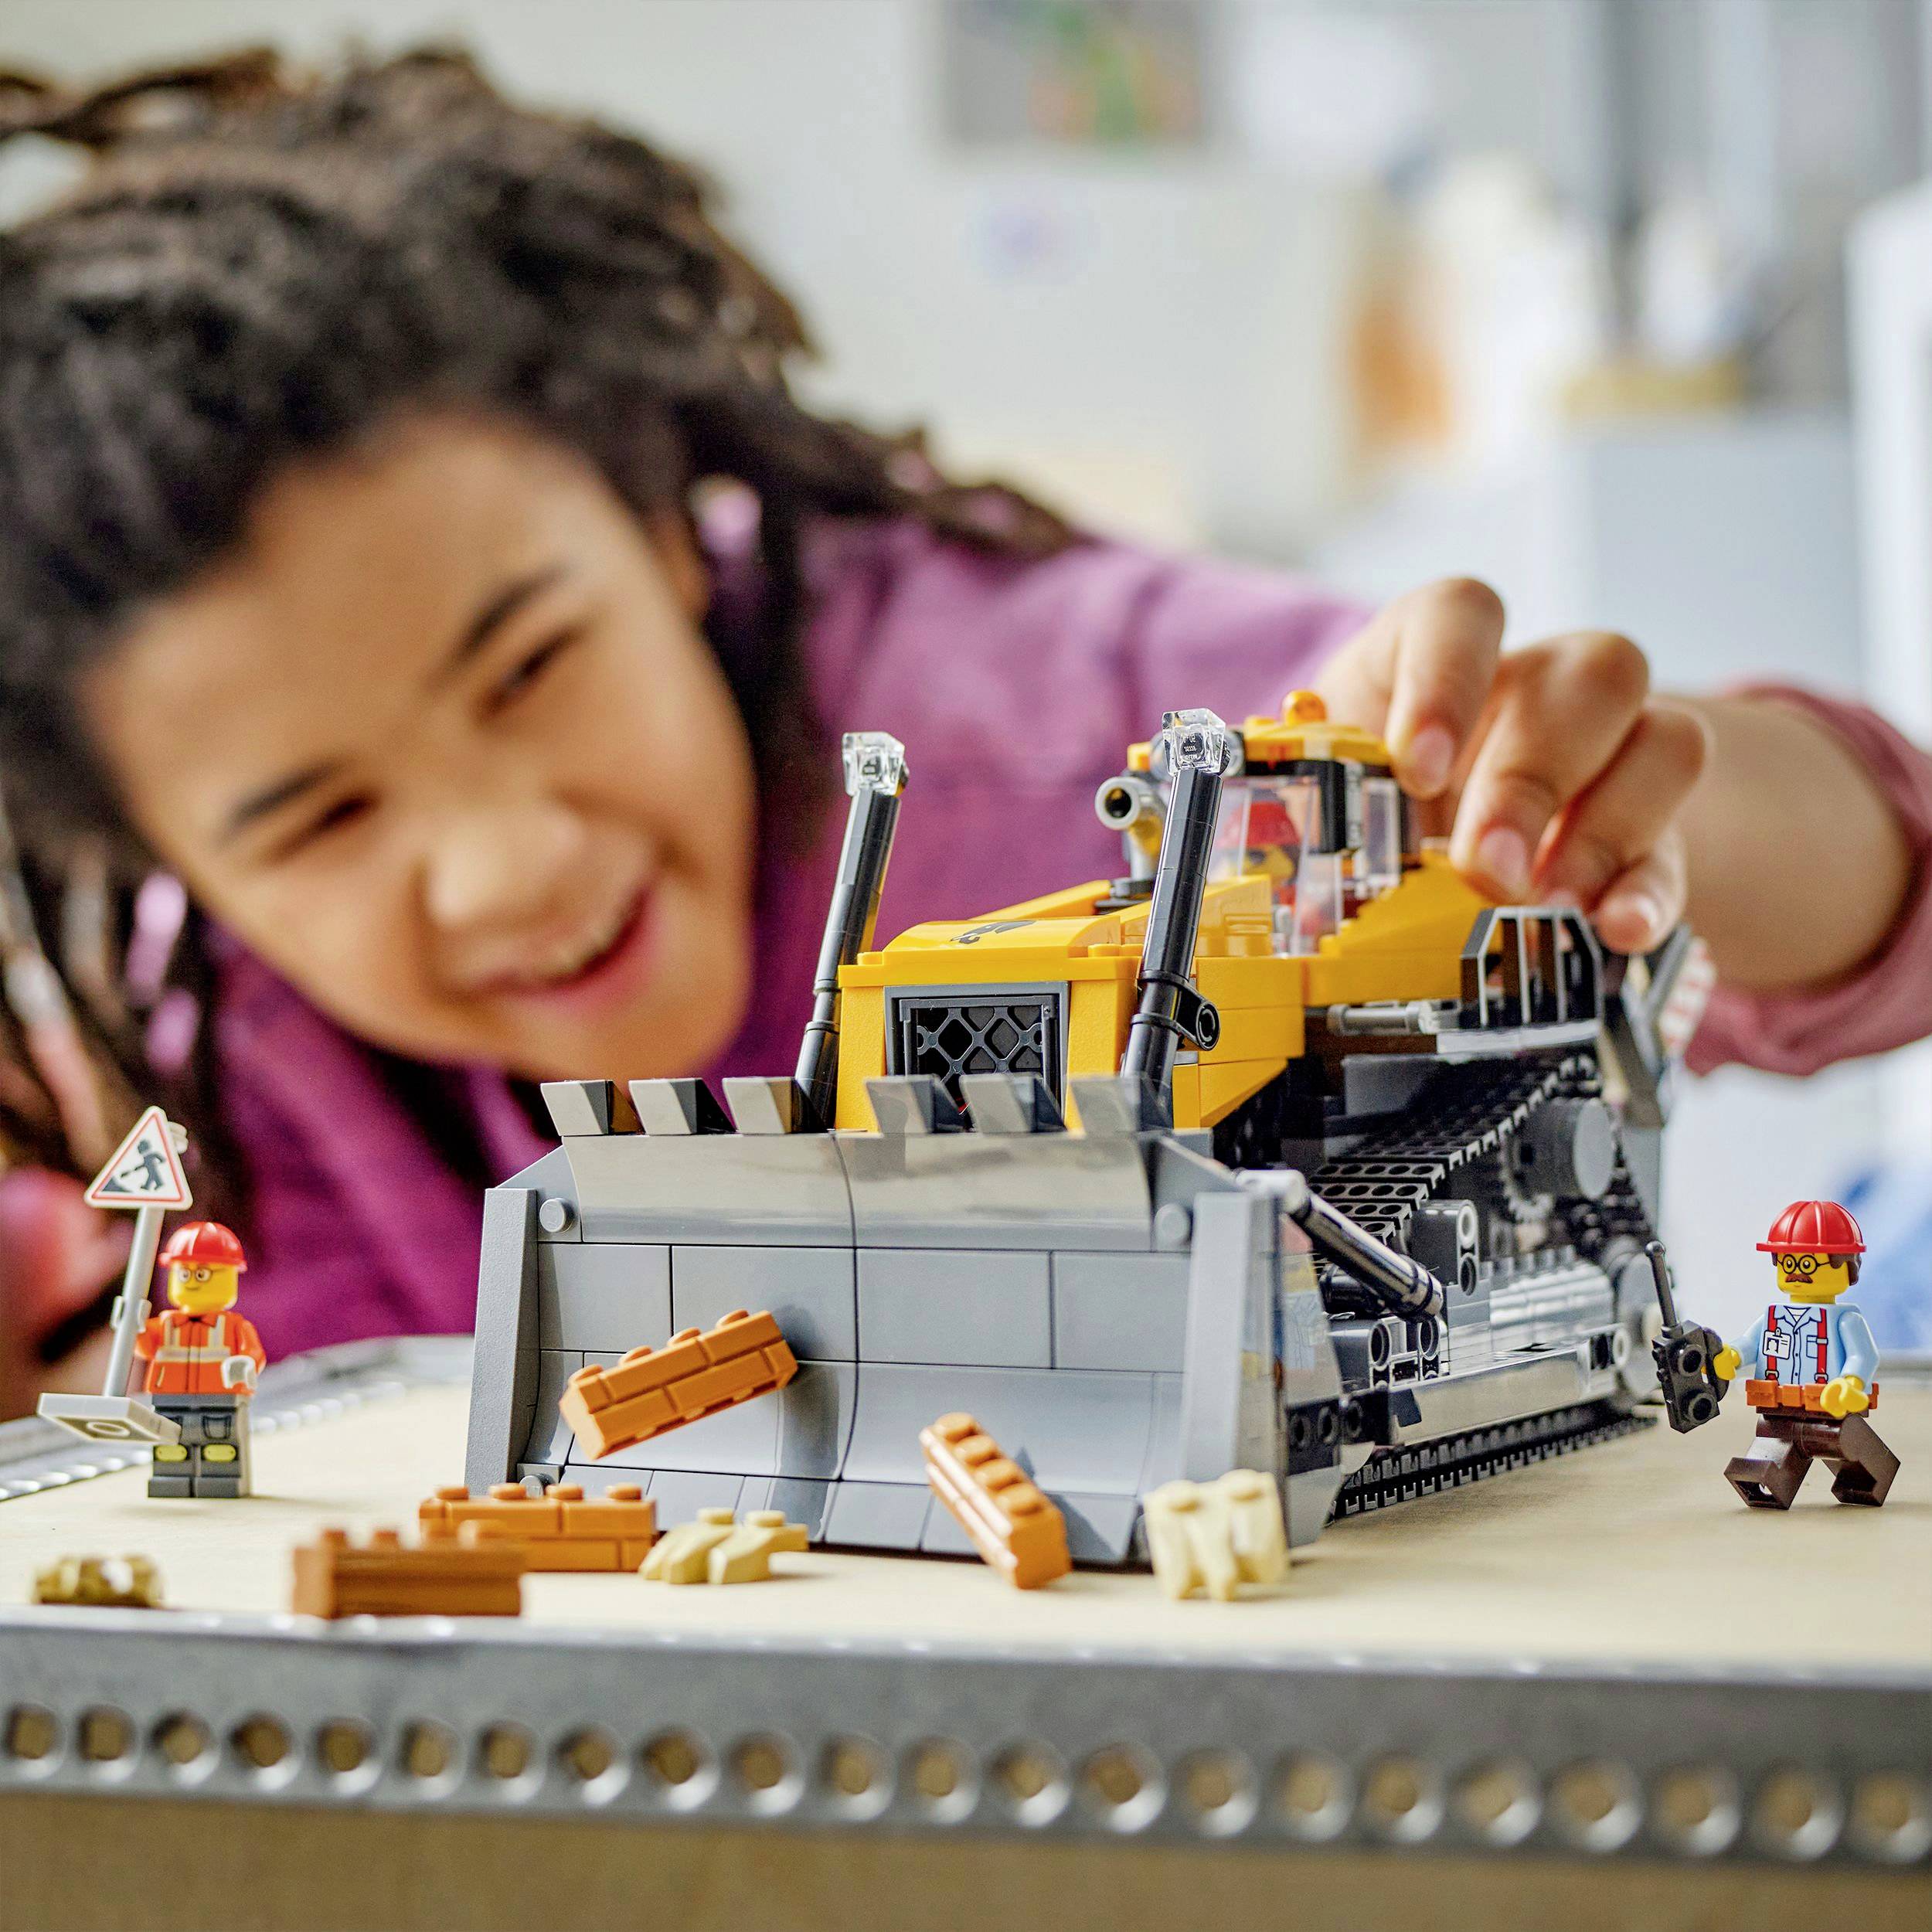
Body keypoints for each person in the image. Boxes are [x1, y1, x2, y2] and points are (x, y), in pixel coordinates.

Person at [0, 50, 1927, 1410]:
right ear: (164, 850)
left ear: (664, 521)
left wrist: (1630, 799)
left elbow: (1865, 887)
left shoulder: (1090, 715)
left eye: (525, 665)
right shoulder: (253, 1051)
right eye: (318, 819)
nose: (509, 856)